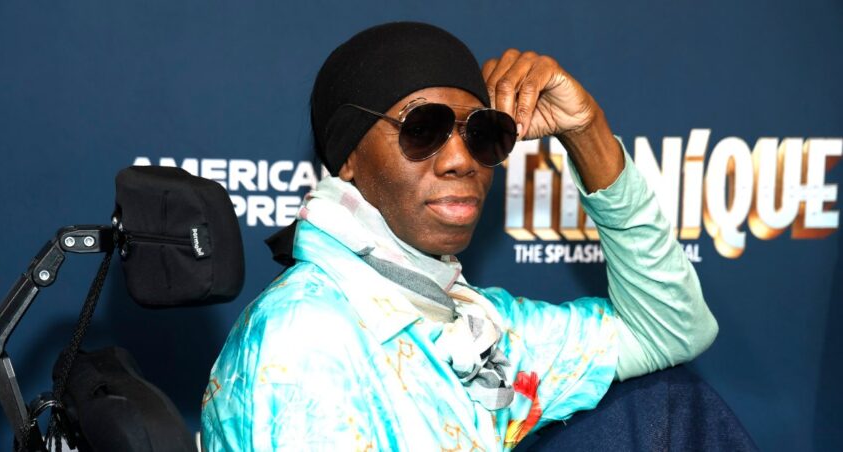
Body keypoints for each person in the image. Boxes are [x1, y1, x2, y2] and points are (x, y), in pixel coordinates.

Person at [200, 21, 718, 451]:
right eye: (422, 129)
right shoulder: (307, 335)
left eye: (481, 133)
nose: (460, 160)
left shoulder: (471, 324)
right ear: (349, 157)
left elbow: (669, 329)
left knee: (669, 401)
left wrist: (587, 131)